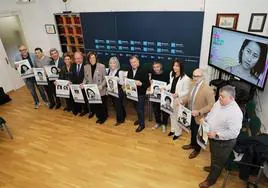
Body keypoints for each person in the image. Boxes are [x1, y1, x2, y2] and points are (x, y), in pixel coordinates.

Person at [199, 85, 243, 188]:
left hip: (223, 142)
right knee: (214, 156)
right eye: (219, 95)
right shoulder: (219, 102)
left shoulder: (236, 113)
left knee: (218, 161)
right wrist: (205, 119)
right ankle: (213, 168)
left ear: (231, 98)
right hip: (213, 138)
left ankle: (211, 180)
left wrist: (217, 134)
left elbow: (234, 133)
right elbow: (212, 114)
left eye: (222, 96)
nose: (219, 98)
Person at [181, 68, 215, 159]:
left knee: (197, 133)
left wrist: (199, 112)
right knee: (192, 130)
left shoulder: (208, 89)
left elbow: (211, 105)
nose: (194, 78)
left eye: (197, 76)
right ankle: (192, 144)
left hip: (200, 117)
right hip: (190, 113)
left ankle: (197, 149)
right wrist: (181, 100)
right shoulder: (192, 84)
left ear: (202, 77)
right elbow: (188, 97)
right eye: (193, 75)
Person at [14, 45, 48, 109]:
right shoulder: (17, 57)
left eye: (24, 49)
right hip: (27, 78)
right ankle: (37, 102)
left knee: (41, 89)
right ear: (19, 51)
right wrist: (16, 66)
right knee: (32, 91)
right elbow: (15, 67)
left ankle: (45, 101)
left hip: (36, 75)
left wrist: (35, 69)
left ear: (26, 49)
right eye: (21, 50)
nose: (23, 51)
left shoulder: (33, 55)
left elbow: (38, 63)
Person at [165, 59, 191, 140]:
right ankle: (173, 130)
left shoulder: (186, 78)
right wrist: (164, 87)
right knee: (171, 115)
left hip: (179, 100)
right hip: (171, 97)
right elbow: (171, 85)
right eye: (174, 65)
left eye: (177, 66)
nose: (175, 67)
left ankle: (178, 132)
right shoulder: (171, 74)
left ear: (181, 67)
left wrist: (178, 94)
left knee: (177, 116)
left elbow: (187, 91)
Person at [127, 55, 150, 132]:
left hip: (141, 94)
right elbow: (128, 80)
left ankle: (142, 125)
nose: (133, 64)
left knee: (140, 109)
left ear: (138, 62)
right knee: (136, 108)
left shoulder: (143, 70)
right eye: (131, 62)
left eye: (134, 62)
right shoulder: (129, 70)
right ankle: (140, 119)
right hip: (132, 93)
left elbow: (147, 84)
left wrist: (141, 84)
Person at [83, 52, 107, 124]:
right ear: (88, 59)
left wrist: (102, 85)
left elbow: (105, 79)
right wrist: (83, 83)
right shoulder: (86, 67)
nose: (92, 59)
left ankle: (103, 118)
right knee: (95, 105)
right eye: (90, 58)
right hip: (92, 90)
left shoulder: (101, 66)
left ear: (96, 58)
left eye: (93, 57)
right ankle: (99, 117)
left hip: (100, 89)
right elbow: (85, 78)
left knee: (102, 105)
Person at [150, 61, 169, 132]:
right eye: (154, 67)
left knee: (164, 110)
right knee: (156, 109)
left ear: (161, 66)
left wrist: (165, 88)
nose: (156, 69)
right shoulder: (153, 74)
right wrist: (151, 83)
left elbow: (169, 84)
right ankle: (158, 122)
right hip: (155, 96)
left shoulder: (167, 73)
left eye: (157, 67)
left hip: (164, 95)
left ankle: (164, 124)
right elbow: (152, 84)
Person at [107, 56, 126, 126]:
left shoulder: (120, 71)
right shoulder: (109, 71)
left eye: (114, 63)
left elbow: (122, 83)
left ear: (117, 64)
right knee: (116, 105)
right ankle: (123, 115)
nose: (112, 65)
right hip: (112, 91)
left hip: (118, 91)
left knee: (118, 106)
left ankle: (120, 120)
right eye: (111, 63)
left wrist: (118, 80)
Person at [70, 52, 88, 116]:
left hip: (83, 85)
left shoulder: (86, 65)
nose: (77, 60)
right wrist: (71, 81)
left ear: (82, 58)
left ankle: (85, 110)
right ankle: (79, 109)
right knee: (77, 98)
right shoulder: (73, 65)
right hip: (75, 86)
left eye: (78, 58)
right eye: (75, 59)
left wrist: (83, 83)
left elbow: (87, 76)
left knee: (84, 99)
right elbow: (72, 75)